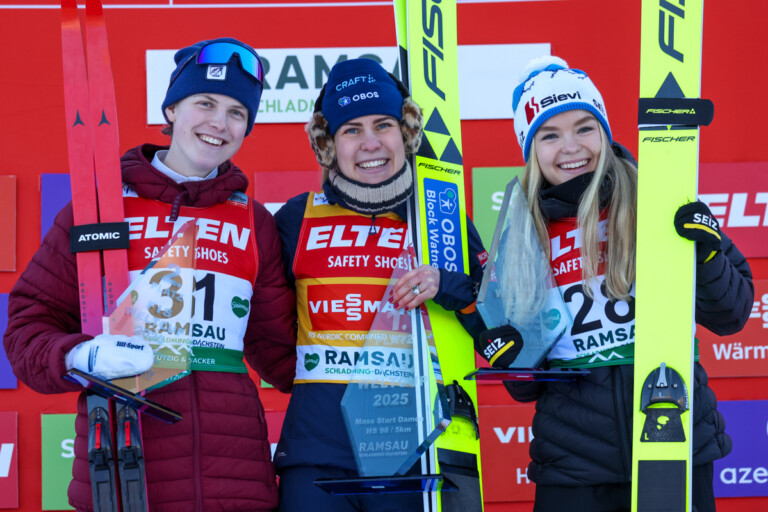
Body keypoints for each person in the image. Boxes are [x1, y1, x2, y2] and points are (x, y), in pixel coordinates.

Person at [3, 38, 296, 511]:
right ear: (172, 109)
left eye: (237, 112)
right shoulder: (99, 210)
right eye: (205, 103)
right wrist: (82, 354)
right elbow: (25, 330)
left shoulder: (253, 221)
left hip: (234, 479)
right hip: (126, 473)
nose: (219, 123)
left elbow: (281, 354)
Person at [473, 56, 753, 512]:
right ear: (530, 148)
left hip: (674, 438)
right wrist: (509, 357)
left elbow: (733, 313)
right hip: (575, 468)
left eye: (585, 127)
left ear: (604, 130)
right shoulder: (521, 235)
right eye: (549, 135)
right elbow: (525, 384)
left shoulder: (660, 197)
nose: (570, 147)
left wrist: (706, 253)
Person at [272, 58, 486, 512]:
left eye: (383, 125)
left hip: (414, 453)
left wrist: (447, 284)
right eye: (351, 130)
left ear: (405, 132)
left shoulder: (440, 217)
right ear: (328, 144)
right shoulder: (295, 218)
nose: (371, 144)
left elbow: (500, 334)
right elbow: (265, 326)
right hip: (317, 455)